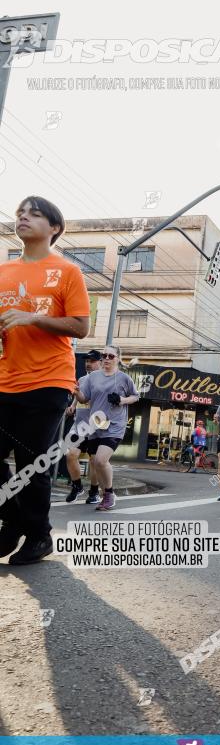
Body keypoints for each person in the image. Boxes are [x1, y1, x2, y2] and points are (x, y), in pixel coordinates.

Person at [0, 197, 90, 564]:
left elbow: (81, 327)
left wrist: (31, 318)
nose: (23, 217)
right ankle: (17, 521)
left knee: (31, 463)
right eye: (21, 212)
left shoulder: (67, 272)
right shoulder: (4, 272)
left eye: (34, 214)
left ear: (54, 228)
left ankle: (38, 537)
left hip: (48, 380)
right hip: (5, 379)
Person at [75, 346, 139, 511]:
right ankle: (105, 494)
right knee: (96, 463)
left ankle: (109, 494)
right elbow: (84, 399)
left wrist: (121, 400)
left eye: (111, 355)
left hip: (115, 425)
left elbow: (135, 396)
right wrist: (75, 392)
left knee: (101, 460)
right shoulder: (93, 377)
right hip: (95, 424)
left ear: (117, 358)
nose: (107, 358)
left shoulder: (124, 378)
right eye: (104, 355)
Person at [65, 349, 103, 503]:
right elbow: (78, 396)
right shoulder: (81, 379)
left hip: (96, 426)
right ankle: (77, 486)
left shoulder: (105, 381)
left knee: (94, 460)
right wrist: (73, 406)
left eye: (92, 361)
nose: (88, 364)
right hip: (79, 424)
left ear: (100, 363)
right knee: (70, 455)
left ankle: (94, 492)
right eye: (87, 361)